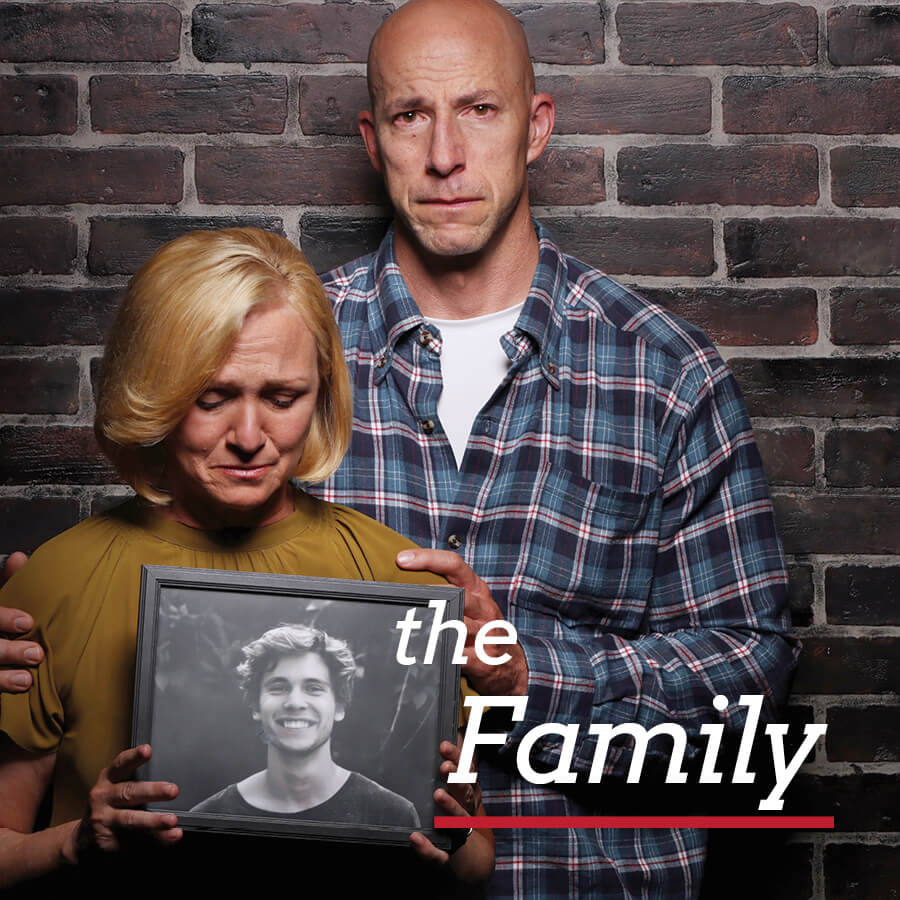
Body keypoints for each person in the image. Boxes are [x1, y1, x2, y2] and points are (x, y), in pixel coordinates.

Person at [0, 0, 798, 896]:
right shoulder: (280, 346)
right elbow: (150, 566)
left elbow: (748, 677)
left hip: (587, 877)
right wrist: (41, 625)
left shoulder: (663, 370)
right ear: (372, 140)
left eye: (480, 109)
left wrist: (528, 671)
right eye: (413, 115)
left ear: (538, 127)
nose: (446, 154)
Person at [0, 227, 493, 893]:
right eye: (213, 397)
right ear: (157, 392)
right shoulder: (58, 580)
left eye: (283, 397)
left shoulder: (395, 578)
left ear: (319, 393)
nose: (250, 439)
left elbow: (474, 856)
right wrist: (78, 843)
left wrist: (453, 845)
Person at [191, 623, 420, 827]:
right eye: (278, 687)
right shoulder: (207, 818)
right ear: (255, 706)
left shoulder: (392, 816)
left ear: (340, 706)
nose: (294, 703)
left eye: (313, 688)